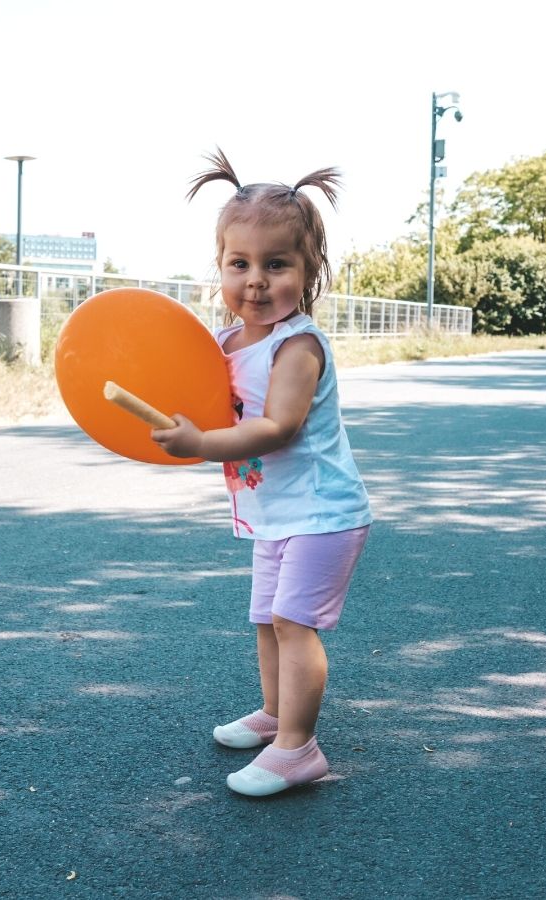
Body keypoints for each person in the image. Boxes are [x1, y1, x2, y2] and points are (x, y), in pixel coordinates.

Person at [152, 149, 372, 797]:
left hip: (324, 513)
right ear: (219, 266)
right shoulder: (223, 342)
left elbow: (277, 427)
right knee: (267, 620)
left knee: (293, 624)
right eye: (239, 263)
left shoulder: (295, 346)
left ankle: (298, 749)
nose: (255, 280)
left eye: (277, 264)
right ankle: (277, 715)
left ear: (308, 273)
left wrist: (200, 443)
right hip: (276, 511)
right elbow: (188, 388)